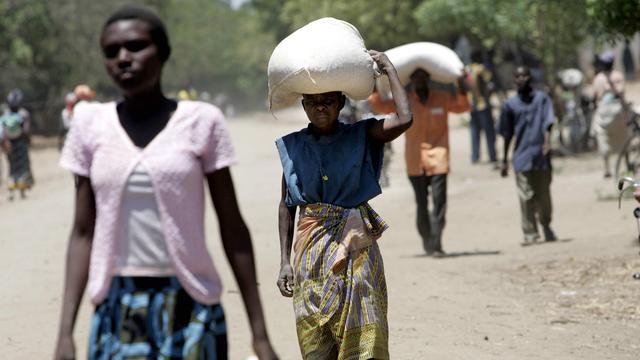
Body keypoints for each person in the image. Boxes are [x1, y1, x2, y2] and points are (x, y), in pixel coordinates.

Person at [53, 6, 277, 359]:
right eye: (111, 52)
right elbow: (82, 232)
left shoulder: (202, 122)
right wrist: (64, 333)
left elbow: (232, 226)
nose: (123, 59)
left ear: (164, 52)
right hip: (116, 306)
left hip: (193, 304)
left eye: (136, 46)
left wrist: (260, 335)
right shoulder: (89, 125)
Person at [276, 51, 412, 359]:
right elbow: (286, 205)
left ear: (340, 102)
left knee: (365, 322)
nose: (320, 107)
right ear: (304, 107)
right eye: (313, 102)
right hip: (309, 254)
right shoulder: (293, 147)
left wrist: (388, 69)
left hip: (356, 248)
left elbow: (405, 119)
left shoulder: (363, 135)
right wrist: (285, 261)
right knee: (315, 331)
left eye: (327, 100)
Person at [369, 69, 470, 256]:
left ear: (428, 79)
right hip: (415, 161)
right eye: (416, 78)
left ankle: (437, 242)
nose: (420, 82)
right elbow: (378, 105)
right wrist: (375, 81)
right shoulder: (404, 100)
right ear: (411, 81)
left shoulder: (442, 98)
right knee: (421, 203)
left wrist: (461, 83)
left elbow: (463, 106)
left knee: (440, 203)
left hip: (439, 158)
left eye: (423, 78)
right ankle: (427, 239)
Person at [499, 66, 558, 245]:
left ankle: (546, 225)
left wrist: (547, 142)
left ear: (530, 78)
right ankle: (530, 233)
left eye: (525, 75)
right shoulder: (509, 105)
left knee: (544, 196)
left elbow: (548, 122)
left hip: (541, 155)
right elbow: (507, 134)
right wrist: (504, 160)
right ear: (514, 80)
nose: (522, 78)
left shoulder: (542, 99)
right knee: (526, 196)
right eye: (518, 76)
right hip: (521, 156)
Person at [591, 51, 628, 178]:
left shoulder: (598, 78)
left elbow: (594, 96)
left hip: (603, 112)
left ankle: (607, 169)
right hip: (619, 110)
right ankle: (627, 164)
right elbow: (622, 92)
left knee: (601, 136)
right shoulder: (618, 75)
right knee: (624, 138)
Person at [0, 89, 33, 200]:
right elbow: (26, 131)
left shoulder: (5, 114)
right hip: (21, 144)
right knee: (22, 167)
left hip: (8, 144)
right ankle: (22, 192)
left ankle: (10, 192)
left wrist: (5, 142)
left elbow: (3, 131)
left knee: (11, 166)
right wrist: (27, 140)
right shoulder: (23, 114)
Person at [467, 50, 497, 165]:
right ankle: (492, 155)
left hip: (472, 105)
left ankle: (475, 157)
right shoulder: (481, 69)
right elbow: (488, 84)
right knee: (489, 132)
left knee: (475, 132)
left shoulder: (468, 69)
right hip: (483, 104)